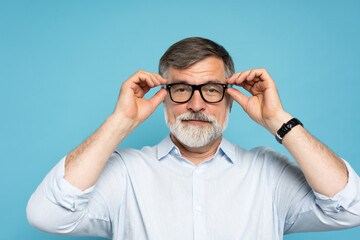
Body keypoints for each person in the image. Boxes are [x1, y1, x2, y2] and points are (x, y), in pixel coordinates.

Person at [27, 37, 360, 240]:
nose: (197, 104)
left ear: (231, 98)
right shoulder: (126, 173)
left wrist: (278, 121)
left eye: (212, 90)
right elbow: (47, 216)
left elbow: (350, 209)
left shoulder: (267, 172)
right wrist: (119, 123)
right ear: (164, 97)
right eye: (182, 89)